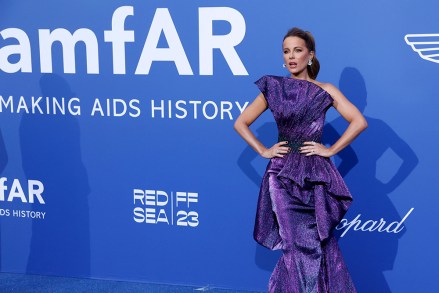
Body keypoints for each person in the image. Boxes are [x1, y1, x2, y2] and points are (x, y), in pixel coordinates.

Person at [234, 27, 367, 292]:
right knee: (295, 245)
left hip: (315, 175)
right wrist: (263, 150)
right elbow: (241, 122)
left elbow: (358, 121)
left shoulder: (324, 90)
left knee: (321, 243)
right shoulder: (273, 87)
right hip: (281, 175)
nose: (291, 56)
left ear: (310, 55)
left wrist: (329, 150)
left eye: (297, 50)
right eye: (286, 51)